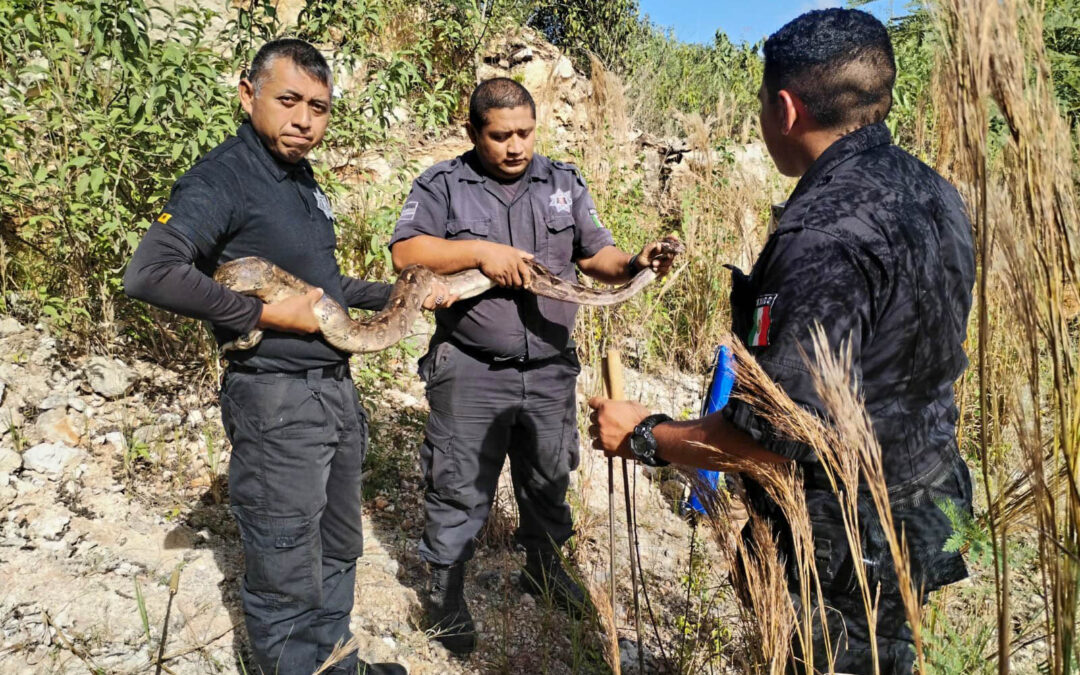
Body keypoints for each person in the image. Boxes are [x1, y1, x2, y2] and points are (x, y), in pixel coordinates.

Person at [588, 9, 975, 674]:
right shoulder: (935, 193)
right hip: (927, 501)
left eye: (764, 104)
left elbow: (775, 438)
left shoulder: (821, 235)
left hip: (847, 540)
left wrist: (645, 433)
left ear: (786, 108)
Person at [123, 39, 446, 675]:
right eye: (289, 101)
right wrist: (264, 314)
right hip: (274, 399)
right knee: (285, 555)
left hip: (332, 390)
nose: (304, 120)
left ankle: (335, 664)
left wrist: (405, 295)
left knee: (337, 543)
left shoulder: (299, 179)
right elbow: (149, 273)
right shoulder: (222, 179)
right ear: (249, 96)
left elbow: (324, 288)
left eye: (319, 108)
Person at [388, 77, 675, 655]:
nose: (515, 146)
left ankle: (542, 568)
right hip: (471, 367)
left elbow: (597, 256)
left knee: (549, 478)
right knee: (458, 483)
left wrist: (635, 262)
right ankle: (445, 592)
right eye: (500, 136)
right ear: (473, 132)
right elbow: (406, 251)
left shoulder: (562, 182)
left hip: (548, 367)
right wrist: (480, 252)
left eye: (525, 132)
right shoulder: (445, 185)